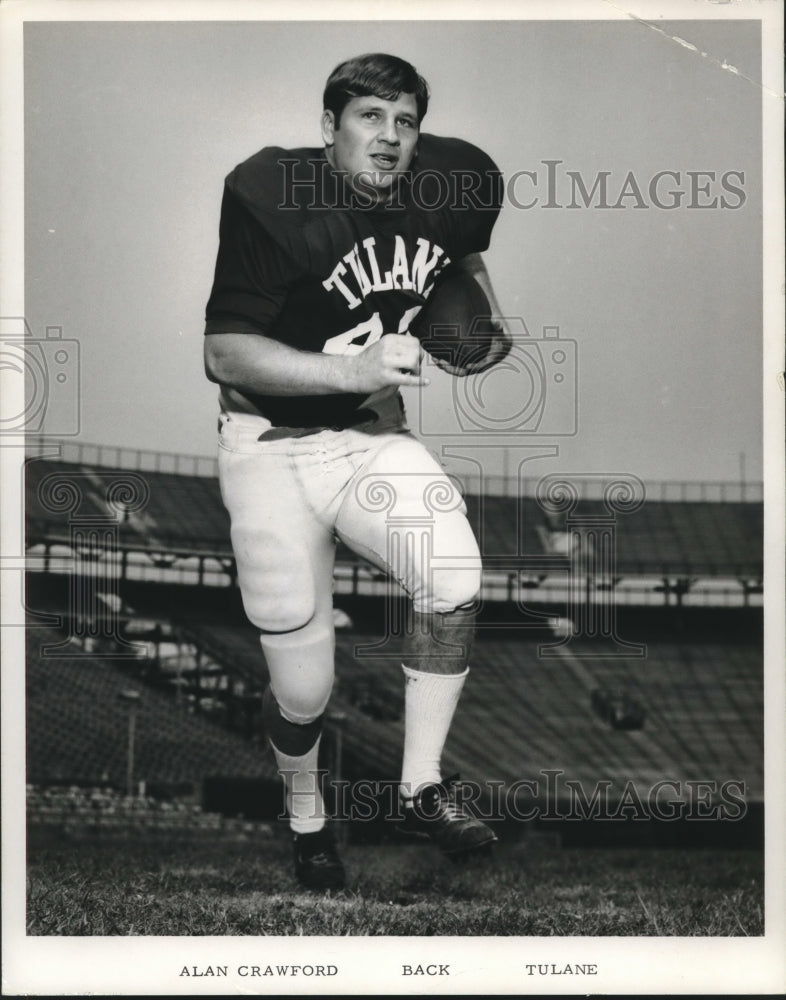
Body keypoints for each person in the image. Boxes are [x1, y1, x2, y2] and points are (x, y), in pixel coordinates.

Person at [204, 53, 510, 891]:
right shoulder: (273, 196)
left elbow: (459, 264)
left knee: (453, 570)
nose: (389, 138)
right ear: (329, 127)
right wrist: (353, 370)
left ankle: (420, 786)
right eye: (370, 117)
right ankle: (306, 819)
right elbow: (225, 352)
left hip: (371, 440)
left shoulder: (453, 180)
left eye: (404, 121)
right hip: (269, 445)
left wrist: (480, 330)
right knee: (303, 688)